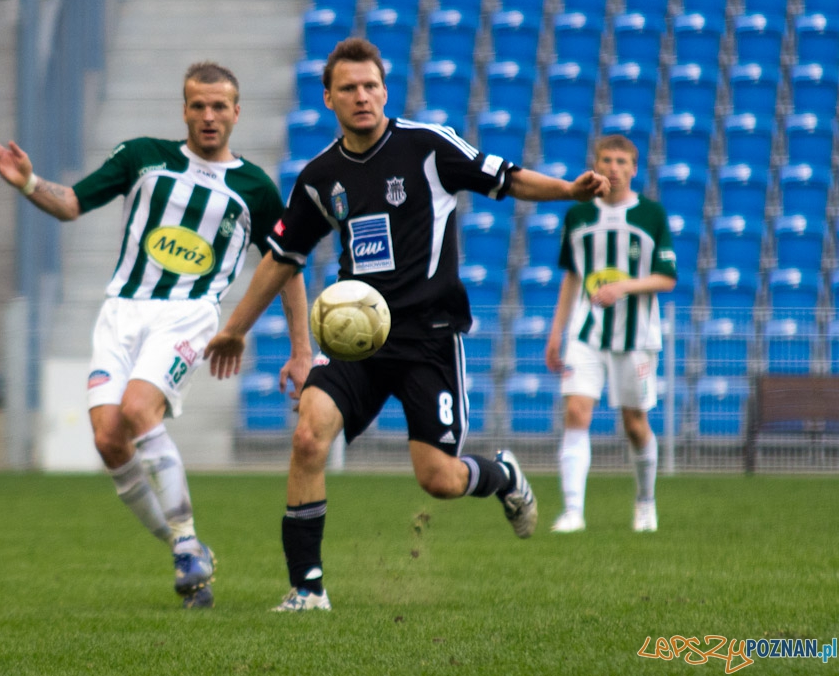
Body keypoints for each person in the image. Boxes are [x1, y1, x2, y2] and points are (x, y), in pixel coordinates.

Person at [205, 38, 610, 612]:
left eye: (371, 86)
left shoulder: (426, 146)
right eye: (348, 88)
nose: (361, 96)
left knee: (439, 479)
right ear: (328, 98)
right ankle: (307, 588)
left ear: (385, 90)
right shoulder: (321, 176)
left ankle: (503, 476)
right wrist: (236, 327)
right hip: (356, 338)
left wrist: (567, 191)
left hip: (429, 337)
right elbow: (281, 257)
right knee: (307, 435)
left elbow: (506, 177)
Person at [0, 62, 312, 608]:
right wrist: (28, 183)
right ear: (183, 110)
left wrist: (301, 349)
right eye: (198, 106)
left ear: (237, 111)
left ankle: (185, 543)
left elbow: (288, 265)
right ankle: (186, 547)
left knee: (139, 411)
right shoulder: (142, 156)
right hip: (122, 311)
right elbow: (71, 203)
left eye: (219, 106)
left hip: (189, 315)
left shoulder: (254, 187)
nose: (208, 117)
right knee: (109, 438)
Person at [544, 135, 677, 534]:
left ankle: (645, 502)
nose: (614, 168)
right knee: (576, 412)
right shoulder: (579, 215)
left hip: (635, 337)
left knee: (635, 423)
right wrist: (556, 332)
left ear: (634, 168)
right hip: (586, 333)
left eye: (622, 161)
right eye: (607, 160)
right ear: (595, 165)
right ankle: (572, 511)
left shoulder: (651, 214)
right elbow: (572, 275)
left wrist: (623, 287)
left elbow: (667, 278)